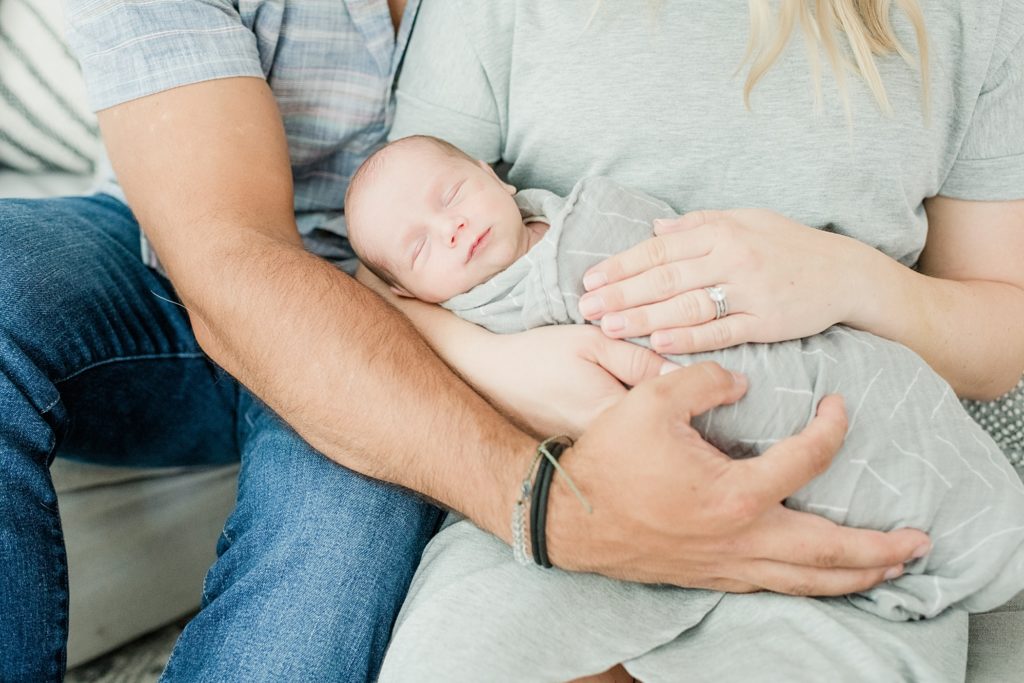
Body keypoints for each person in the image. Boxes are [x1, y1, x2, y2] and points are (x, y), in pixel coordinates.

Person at [1, 1, 926, 680]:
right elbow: (228, 258)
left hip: (464, 308)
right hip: (198, 268)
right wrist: (553, 504)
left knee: (327, 556)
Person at [361, 0, 1024, 679]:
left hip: (841, 505)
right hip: (574, 498)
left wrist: (854, 279)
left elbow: (1001, 340)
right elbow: (385, 272)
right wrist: (507, 369)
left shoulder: (973, 16)